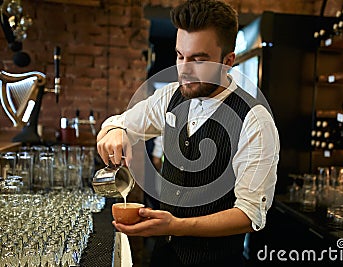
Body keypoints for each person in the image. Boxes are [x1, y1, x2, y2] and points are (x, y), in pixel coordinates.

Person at [96, 0, 280, 266]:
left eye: (199, 59)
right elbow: (118, 123)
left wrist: (176, 226)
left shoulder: (254, 120)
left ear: (227, 62)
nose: (184, 69)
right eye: (180, 56)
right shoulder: (170, 96)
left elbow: (250, 215)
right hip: (162, 257)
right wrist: (116, 131)